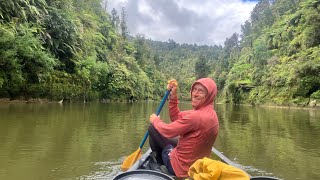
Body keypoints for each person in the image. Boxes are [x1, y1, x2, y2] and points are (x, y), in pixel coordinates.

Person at [148, 78, 219, 178]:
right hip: (197, 165)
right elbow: (176, 117)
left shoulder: (197, 117)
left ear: (209, 95)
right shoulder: (210, 113)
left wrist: (155, 120)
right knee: (164, 130)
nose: (195, 94)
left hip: (182, 169)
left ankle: (160, 162)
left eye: (201, 91)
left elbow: (168, 131)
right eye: (194, 90)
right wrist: (173, 96)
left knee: (153, 128)